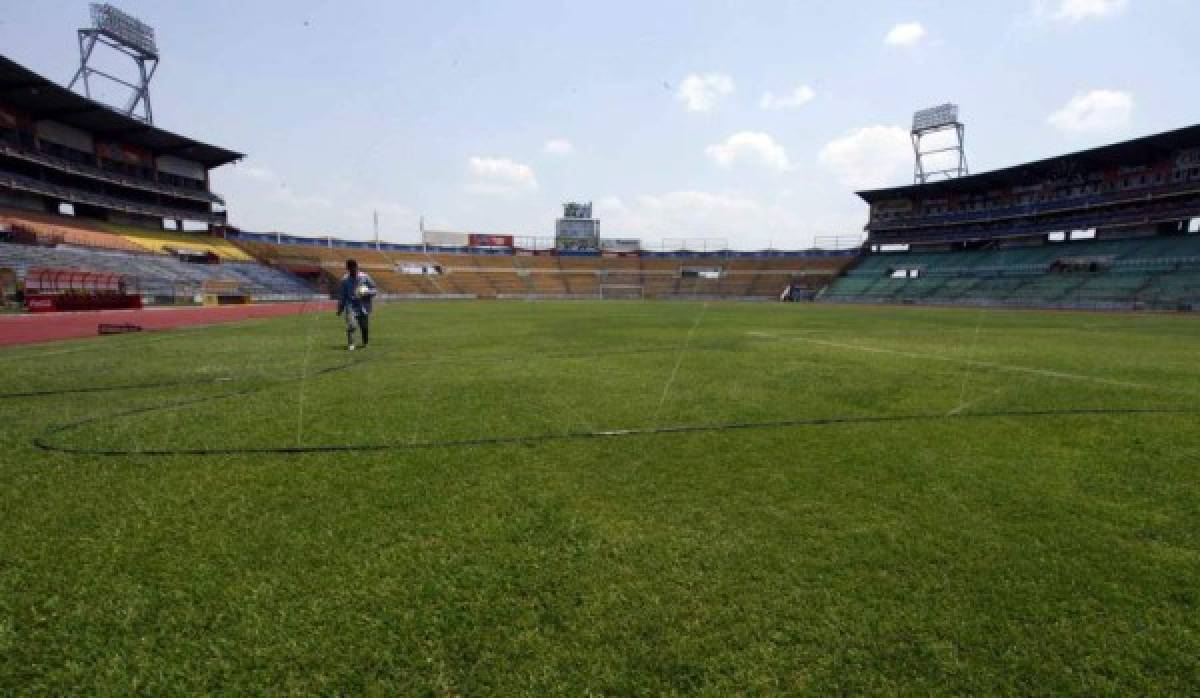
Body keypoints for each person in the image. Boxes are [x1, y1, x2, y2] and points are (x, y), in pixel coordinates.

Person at [336, 259, 377, 350]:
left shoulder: (365, 277)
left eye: (354, 268)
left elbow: (374, 289)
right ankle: (351, 344)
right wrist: (340, 308)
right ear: (347, 268)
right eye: (350, 269)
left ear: (357, 267)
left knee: (364, 326)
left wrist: (367, 292)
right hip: (350, 305)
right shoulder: (345, 280)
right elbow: (342, 295)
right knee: (351, 325)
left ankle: (365, 342)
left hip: (363, 304)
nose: (352, 270)